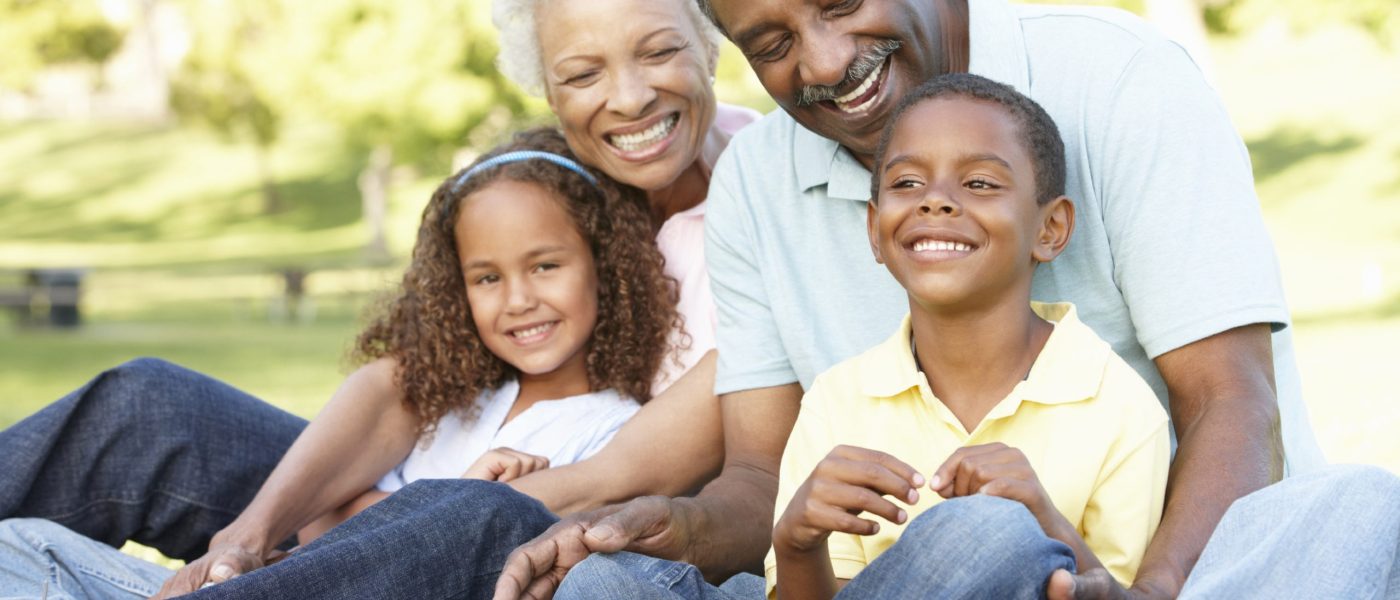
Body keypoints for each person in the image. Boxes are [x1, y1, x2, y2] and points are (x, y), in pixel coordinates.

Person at [497, 1, 1400, 598]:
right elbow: (766, 484)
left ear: (1052, 224)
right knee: (608, 583)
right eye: (770, 45)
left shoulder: (1121, 79)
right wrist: (682, 525)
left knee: (1358, 507)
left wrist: (1146, 596)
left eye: (841, 1)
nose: (826, 61)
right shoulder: (759, 186)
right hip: (879, 582)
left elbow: (1232, 402)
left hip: (1172, 572)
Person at [0, 0, 757, 596]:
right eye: (581, 75)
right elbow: (409, 380)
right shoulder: (568, 178)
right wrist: (254, 531)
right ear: (549, 93)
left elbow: (624, 474)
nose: (627, 97)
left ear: (710, 43)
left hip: (551, 524)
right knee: (151, 406)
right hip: (428, 484)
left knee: (476, 510)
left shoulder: (761, 204)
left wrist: (403, 517)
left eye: (659, 51)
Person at [767, 73, 1168, 599]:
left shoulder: (1119, 408)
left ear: (1050, 229)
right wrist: (797, 543)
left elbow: (1118, 593)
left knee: (990, 533)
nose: (935, 202)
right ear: (874, 230)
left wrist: (1044, 522)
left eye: (979, 183)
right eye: (907, 183)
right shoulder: (838, 401)